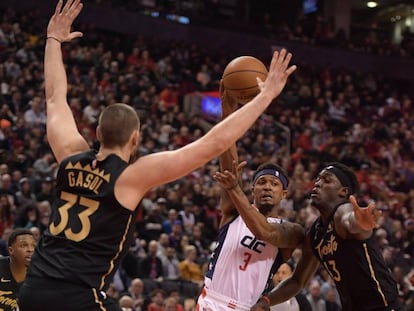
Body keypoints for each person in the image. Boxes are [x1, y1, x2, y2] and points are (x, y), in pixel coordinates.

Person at [18, 0, 297, 310]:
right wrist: (267, 95)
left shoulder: (69, 157)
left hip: (33, 289)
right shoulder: (131, 177)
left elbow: (55, 99)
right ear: (135, 139)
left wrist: (53, 40)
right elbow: (213, 144)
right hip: (78, 297)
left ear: (96, 133)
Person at [226, 162, 400, 311]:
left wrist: (361, 223)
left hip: (383, 306)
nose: (317, 183)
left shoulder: (342, 212)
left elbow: (350, 221)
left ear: (343, 192)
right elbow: (297, 281)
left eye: (326, 180)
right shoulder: (315, 234)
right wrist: (267, 300)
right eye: (317, 179)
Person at [196, 83, 304, 311]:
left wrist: (235, 189)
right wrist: (228, 112)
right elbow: (228, 163)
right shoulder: (234, 211)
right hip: (210, 302)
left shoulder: (291, 231)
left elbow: (264, 231)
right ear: (252, 190)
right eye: (261, 183)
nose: (267, 187)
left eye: (274, 184)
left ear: (284, 193)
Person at [0, 228, 35, 311]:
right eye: (24, 245)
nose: (30, 249)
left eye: (33, 245)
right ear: (11, 250)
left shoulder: (40, 277)